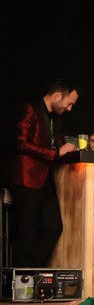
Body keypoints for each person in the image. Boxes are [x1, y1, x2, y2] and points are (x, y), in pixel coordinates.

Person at [5, 80, 79, 267]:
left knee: (54, 227)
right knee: (28, 232)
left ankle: (30, 271)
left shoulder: (55, 118)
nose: (70, 109)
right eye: (69, 103)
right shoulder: (31, 110)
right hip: (27, 178)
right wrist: (55, 153)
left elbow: (56, 143)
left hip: (44, 179)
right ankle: (24, 277)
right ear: (57, 96)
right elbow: (21, 142)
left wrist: (67, 148)